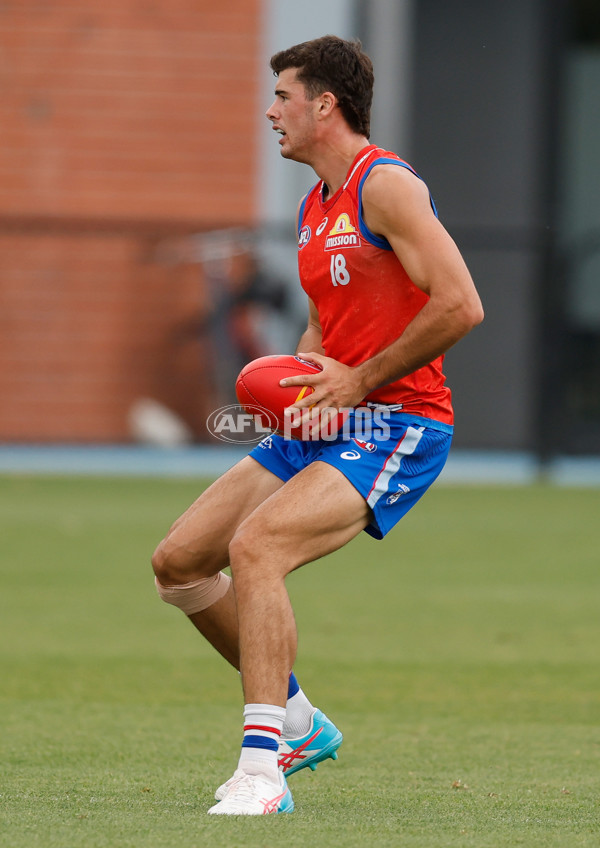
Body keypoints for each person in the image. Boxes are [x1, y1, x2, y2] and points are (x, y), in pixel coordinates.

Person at [151, 34, 483, 816]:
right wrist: (301, 383)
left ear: (324, 105)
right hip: (331, 419)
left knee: (256, 547)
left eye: (283, 97)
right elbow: (321, 331)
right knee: (180, 562)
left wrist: (359, 380)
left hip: (399, 421)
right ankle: (298, 719)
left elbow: (461, 304)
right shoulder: (313, 206)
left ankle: (263, 771)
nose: (271, 113)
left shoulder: (388, 186)